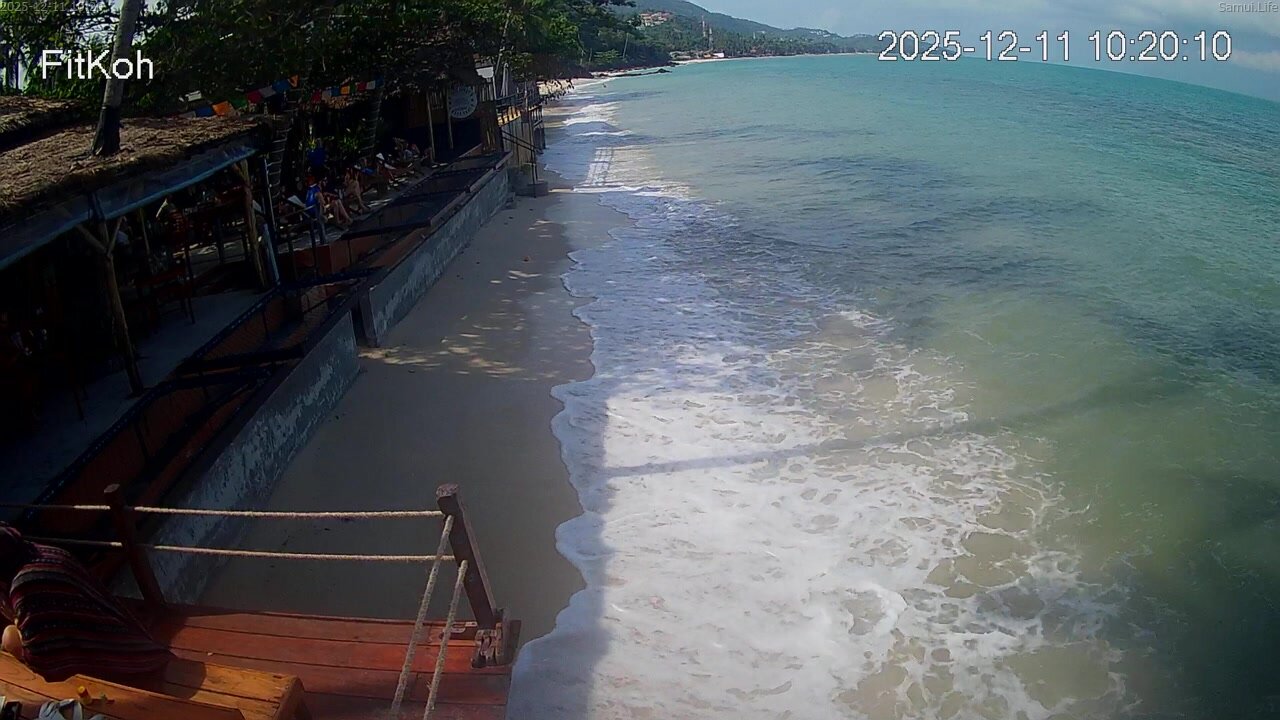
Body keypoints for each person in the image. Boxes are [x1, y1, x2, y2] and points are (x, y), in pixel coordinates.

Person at [0, 524, 172, 682]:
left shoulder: (25, 588)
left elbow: (44, 662)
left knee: (9, 637)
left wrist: (14, 624)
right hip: (136, 644)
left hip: (130, 666)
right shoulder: (36, 552)